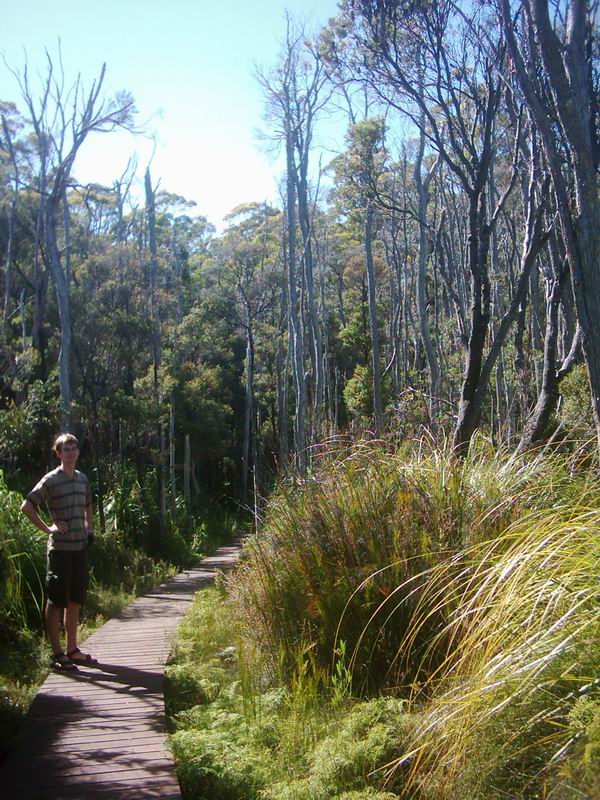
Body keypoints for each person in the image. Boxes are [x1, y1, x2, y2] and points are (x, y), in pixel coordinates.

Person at [21, 433, 98, 670]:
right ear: (58, 453)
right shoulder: (51, 480)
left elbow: (87, 505)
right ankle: (57, 654)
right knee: (56, 601)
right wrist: (48, 528)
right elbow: (27, 506)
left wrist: (89, 528)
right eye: (66, 449)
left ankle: (72, 649)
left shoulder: (82, 478)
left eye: (74, 448)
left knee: (75, 600)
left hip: (79, 548)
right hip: (60, 550)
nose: (71, 452)